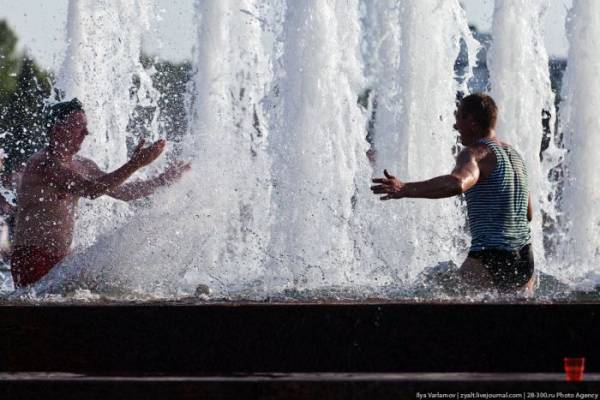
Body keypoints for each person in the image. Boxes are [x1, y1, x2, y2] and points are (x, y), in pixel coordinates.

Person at [11, 98, 190, 288]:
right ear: (57, 130)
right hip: (32, 258)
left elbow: (123, 192)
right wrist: (135, 164)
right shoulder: (43, 163)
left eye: (85, 127)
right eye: (79, 127)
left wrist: (162, 180)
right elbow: (91, 190)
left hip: (61, 258)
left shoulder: (83, 164)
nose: (86, 133)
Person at [371, 92, 534, 293]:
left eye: (458, 117)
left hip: (490, 256)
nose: (456, 126)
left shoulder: (476, 153)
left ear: (471, 121)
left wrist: (404, 188)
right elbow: (528, 214)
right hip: (525, 259)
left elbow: (458, 183)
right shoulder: (516, 157)